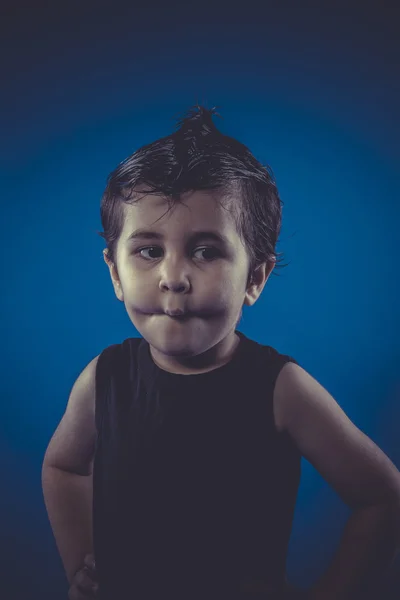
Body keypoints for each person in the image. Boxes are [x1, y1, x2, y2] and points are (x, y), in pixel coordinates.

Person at [41, 105, 400, 600]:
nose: (173, 277)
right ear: (115, 274)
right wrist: (80, 565)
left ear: (255, 277)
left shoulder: (282, 390)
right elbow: (62, 467)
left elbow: (382, 496)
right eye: (148, 251)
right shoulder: (103, 379)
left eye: (206, 251)